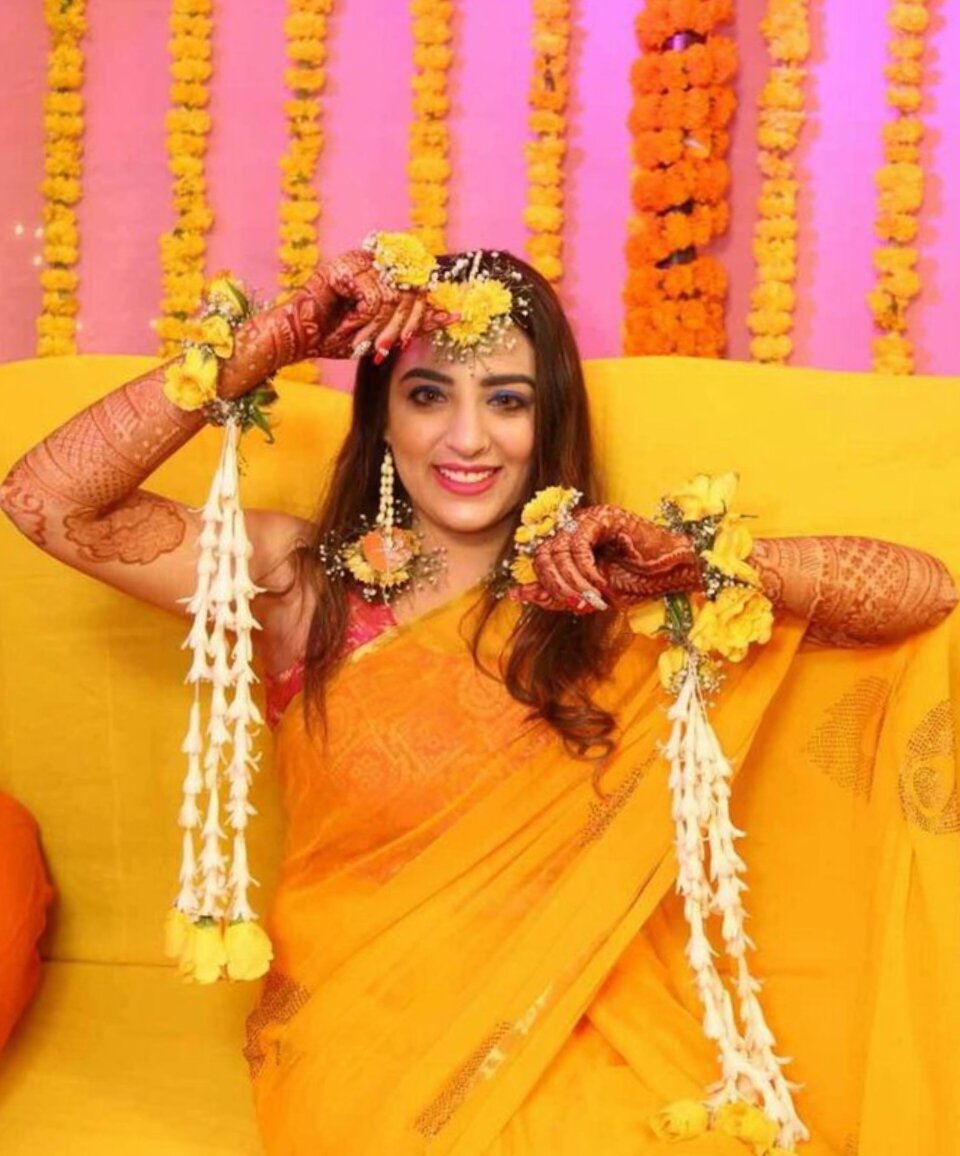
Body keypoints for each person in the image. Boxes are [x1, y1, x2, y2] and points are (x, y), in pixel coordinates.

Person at [1, 243, 957, 1156]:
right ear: (382, 417)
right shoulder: (303, 584)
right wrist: (274, 344)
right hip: (372, 1046)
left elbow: (927, 593)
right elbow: (48, 500)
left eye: (506, 400)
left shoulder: (608, 594)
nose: (467, 439)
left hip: (583, 1019)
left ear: (550, 425)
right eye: (428, 396)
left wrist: (693, 567)